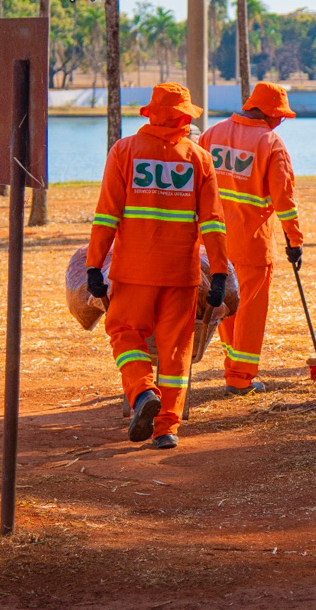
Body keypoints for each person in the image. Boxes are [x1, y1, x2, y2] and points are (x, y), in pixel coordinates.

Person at [86, 83, 229, 449]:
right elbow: (212, 223)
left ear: (150, 113)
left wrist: (93, 266)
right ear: (185, 117)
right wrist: (218, 274)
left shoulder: (125, 151)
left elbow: (106, 215)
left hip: (132, 271)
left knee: (124, 333)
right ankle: (167, 428)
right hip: (180, 274)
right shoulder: (199, 158)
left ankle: (141, 393)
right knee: (176, 350)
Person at [198, 82, 304, 395]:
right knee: (249, 311)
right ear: (270, 113)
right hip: (251, 243)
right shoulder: (271, 142)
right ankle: (240, 378)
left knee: (225, 304)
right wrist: (294, 241)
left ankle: (234, 366)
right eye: (280, 116)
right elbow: (284, 199)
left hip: (211, 242)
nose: (280, 121)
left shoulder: (212, 133)